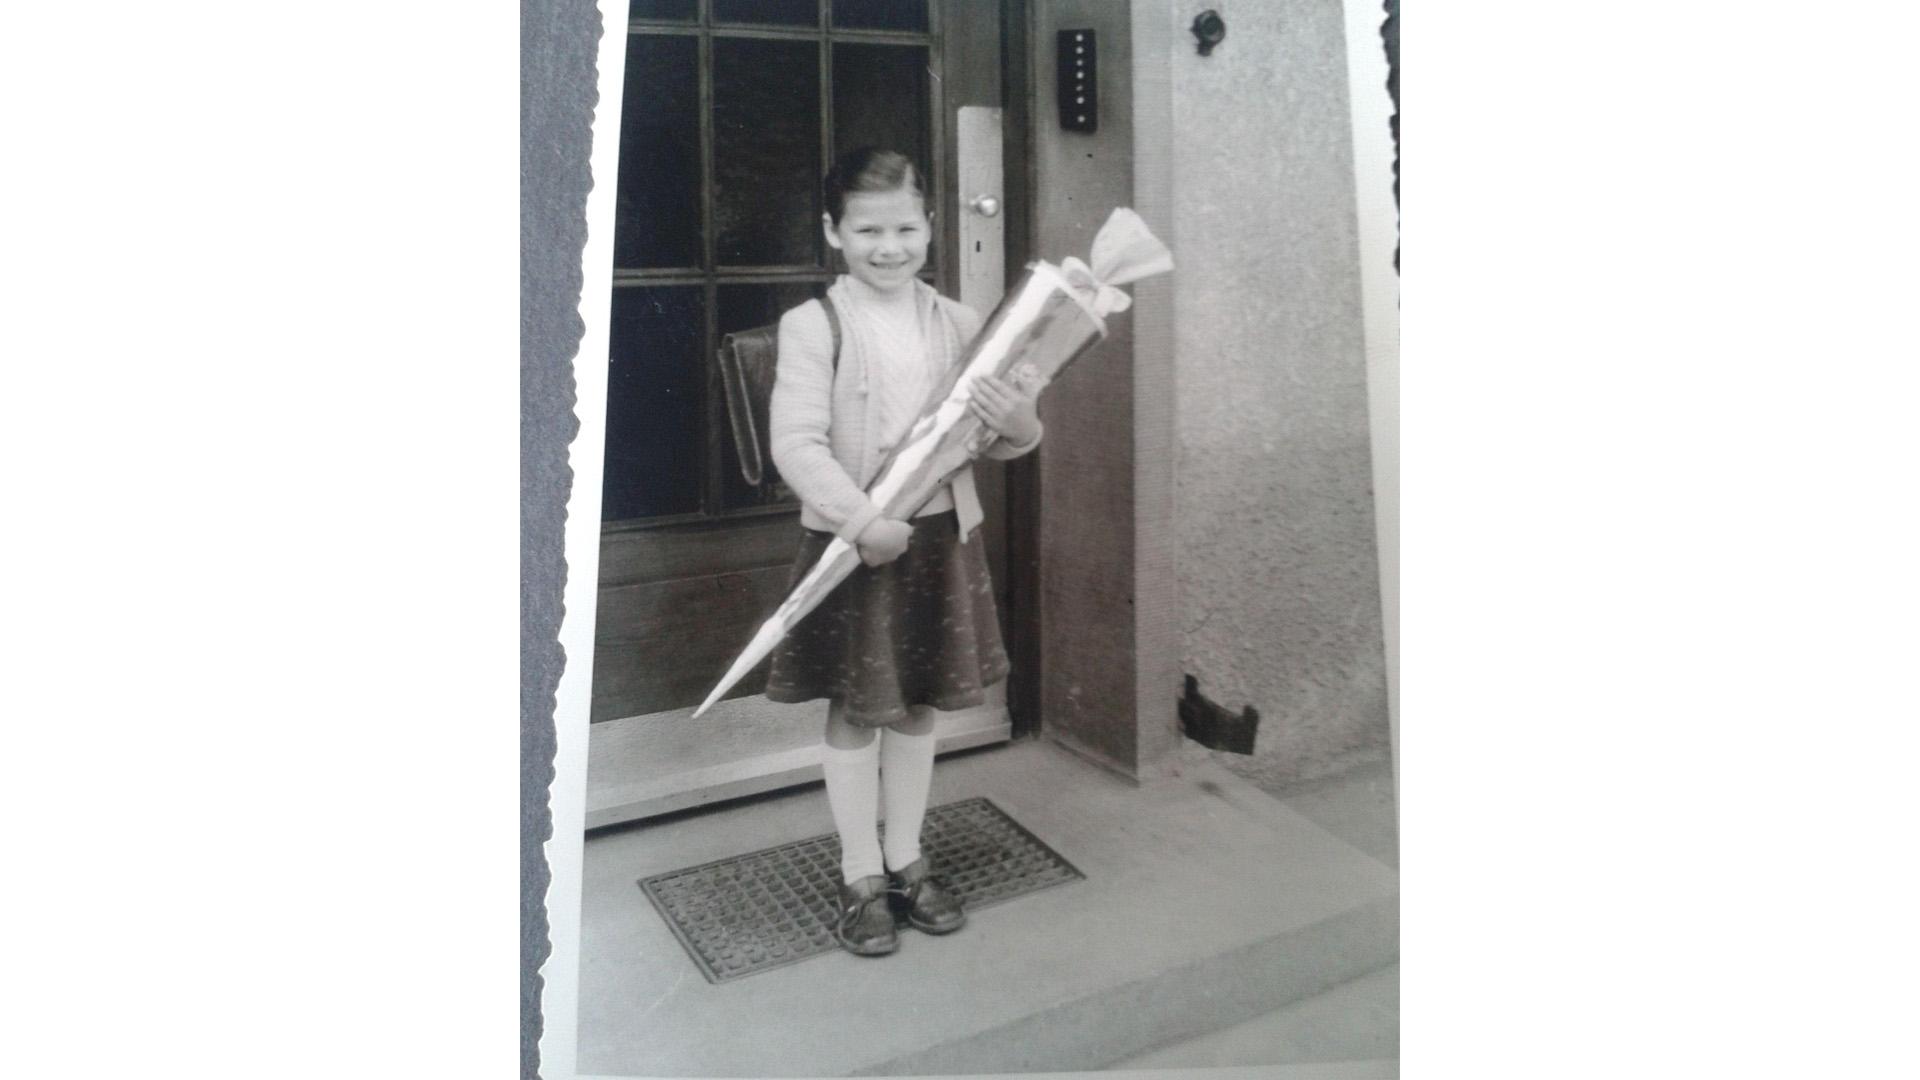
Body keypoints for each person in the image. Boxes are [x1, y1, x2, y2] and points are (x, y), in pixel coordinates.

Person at [766, 147, 1043, 957]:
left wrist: (1018, 414)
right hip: (856, 542)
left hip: (934, 538)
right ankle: (860, 873)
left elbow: (1010, 443)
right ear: (834, 233)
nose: (889, 246)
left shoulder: (960, 323)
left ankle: (907, 855)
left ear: (930, 227)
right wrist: (861, 523)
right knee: (859, 703)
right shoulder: (812, 324)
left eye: (905, 227)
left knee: (916, 697)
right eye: (867, 230)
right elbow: (796, 443)